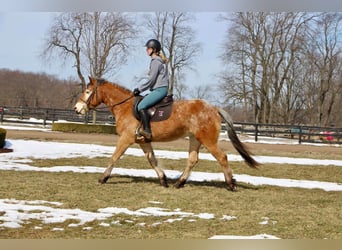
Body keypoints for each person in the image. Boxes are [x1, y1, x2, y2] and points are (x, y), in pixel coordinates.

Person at [133, 39, 169, 140]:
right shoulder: (158, 61)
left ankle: (147, 130)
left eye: (148, 48)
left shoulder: (155, 62)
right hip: (158, 89)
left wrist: (139, 90)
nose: (146, 50)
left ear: (154, 49)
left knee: (141, 106)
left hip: (159, 90)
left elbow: (151, 80)